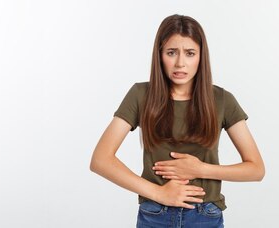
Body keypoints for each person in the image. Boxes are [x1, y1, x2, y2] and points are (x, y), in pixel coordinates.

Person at [90, 14, 265, 228]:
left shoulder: (221, 99)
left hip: (205, 215)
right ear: (160, 55)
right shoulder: (140, 94)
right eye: (171, 53)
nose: (180, 63)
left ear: (201, 57)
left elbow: (256, 169)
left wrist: (201, 169)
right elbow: (100, 160)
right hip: (154, 213)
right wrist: (158, 192)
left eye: (190, 53)